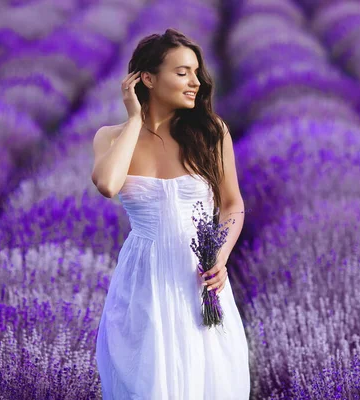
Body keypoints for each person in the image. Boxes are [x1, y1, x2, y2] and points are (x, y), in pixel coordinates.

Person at [91, 28, 251, 399]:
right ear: (147, 78)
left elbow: (232, 204)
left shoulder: (211, 132)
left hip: (196, 280)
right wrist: (134, 119)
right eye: (182, 72)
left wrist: (221, 256)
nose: (195, 81)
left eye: (196, 72)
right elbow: (108, 185)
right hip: (142, 282)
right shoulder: (110, 137)